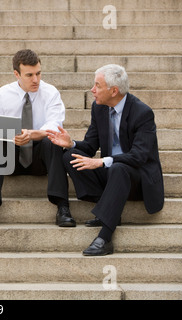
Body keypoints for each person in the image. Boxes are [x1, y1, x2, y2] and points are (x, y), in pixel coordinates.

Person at [47, 64, 164, 256]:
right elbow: (90, 146)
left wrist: (102, 162)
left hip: (137, 177)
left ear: (113, 91)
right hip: (112, 175)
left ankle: (105, 237)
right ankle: (108, 205)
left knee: (118, 168)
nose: (92, 90)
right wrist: (71, 144)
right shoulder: (99, 108)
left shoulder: (142, 113)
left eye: (97, 86)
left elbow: (139, 156)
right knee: (70, 157)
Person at [0, 49, 75, 228]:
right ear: (16, 74)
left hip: (40, 158)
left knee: (52, 140)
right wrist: (13, 137)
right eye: (29, 75)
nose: (35, 80)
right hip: (11, 158)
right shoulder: (3, 94)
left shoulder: (50, 93)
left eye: (38, 73)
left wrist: (30, 134)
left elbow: (55, 126)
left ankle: (62, 206)